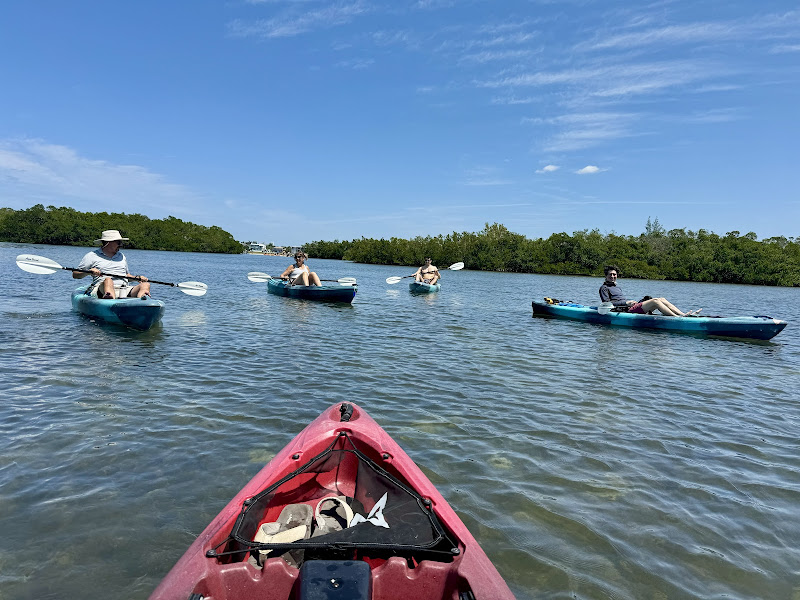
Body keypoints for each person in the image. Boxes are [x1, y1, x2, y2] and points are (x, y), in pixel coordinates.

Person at [73, 230, 151, 299]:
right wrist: (89, 271)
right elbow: (75, 275)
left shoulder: (121, 256)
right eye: (118, 242)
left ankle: (143, 301)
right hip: (102, 288)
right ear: (108, 242)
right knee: (108, 280)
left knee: (145, 285)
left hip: (123, 289)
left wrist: (136, 278)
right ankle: (110, 299)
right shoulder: (92, 256)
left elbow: (125, 275)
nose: (121, 245)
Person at [599, 265, 698, 316]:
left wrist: (629, 303)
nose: (612, 276)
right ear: (606, 276)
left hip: (629, 307)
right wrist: (626, 303)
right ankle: (676, 318)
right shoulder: (604, 288)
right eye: (610, 274)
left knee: (661, 299)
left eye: (614, 274)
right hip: (625, 311)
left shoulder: (617, 287)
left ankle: (682, 314)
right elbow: (606, 304)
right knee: (655, 301)